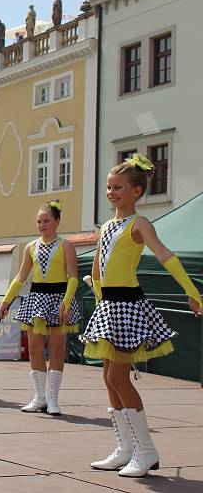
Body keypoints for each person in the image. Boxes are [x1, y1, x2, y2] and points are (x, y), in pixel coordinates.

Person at [80, 154, 202, 478]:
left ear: (136, 191)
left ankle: (146, 450)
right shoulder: (107, 226)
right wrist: (96, 293)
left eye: (118, 187)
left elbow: (165, 256)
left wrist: (192, 291)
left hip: (129, 308)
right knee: (108, 377)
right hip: (108, 307)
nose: (111, 192)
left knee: (118, 377)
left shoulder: (140, 224)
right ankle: (125, 448)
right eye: (108, 187)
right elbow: (97, 266)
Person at [0, 200, 81, 415]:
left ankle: (53, 399)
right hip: (36, 299)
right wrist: (6, 301)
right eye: (38, 221)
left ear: (57, 221)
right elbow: (21, 277)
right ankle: (39, 397)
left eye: (46, 220)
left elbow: (73, 277)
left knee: (56, 349)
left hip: (58, 299)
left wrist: (66, 301)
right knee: (35, 349)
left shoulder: (66, 246)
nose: (42, 224)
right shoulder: (31, 247)